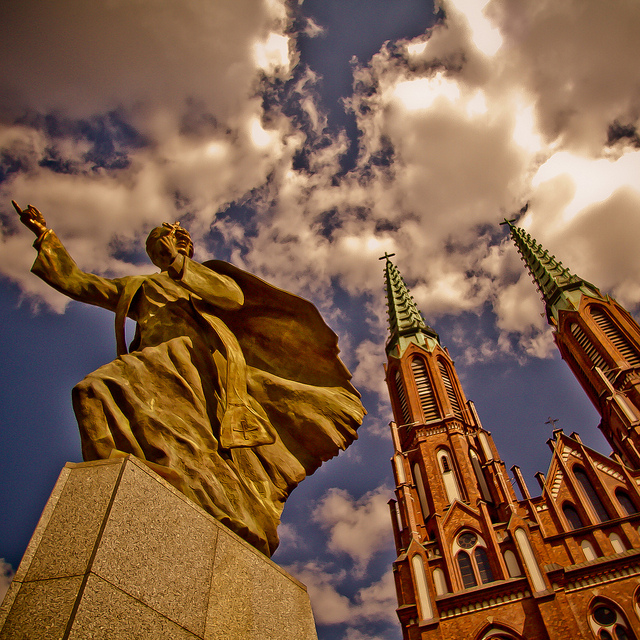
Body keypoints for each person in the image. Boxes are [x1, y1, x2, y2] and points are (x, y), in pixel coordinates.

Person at [12, 200, 365, 556]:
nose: (174, 241)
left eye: (179, 239)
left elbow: (231, 297)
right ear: (154, 250)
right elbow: (79, 283)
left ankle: (192, 488)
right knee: (91, 391)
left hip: (196, 364)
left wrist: (181, 265)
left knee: (191, 436)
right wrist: (45, 236)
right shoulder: (138, 286)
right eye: (166, 239)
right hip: (153, 360)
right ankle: (118, 481)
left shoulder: (199, 279)